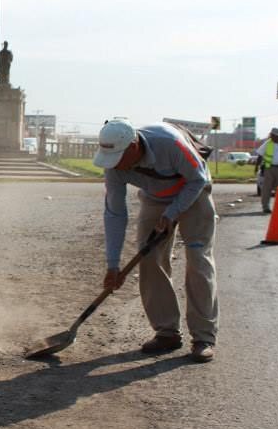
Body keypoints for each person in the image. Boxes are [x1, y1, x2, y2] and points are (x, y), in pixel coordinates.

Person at [93, 119, 218, 363]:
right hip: (155, 197)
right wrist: (113, 265)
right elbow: (115, 213)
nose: (115, 164)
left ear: (133, 146)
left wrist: (172, 213)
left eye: (119, 156)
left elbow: (198, 178)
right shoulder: (114, 165)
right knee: (149, 257)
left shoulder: (170, 143)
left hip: (193, 192)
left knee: (198, 259)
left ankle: (204, 337)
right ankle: (166, 332)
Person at [254, 127, 278, 214]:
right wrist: (257, 166)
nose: (274, 138)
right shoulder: (267, 144)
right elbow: (260, 155)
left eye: (276, 136)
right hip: (270, 168)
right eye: (272, 136)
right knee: (266, 188)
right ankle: (266, 207)